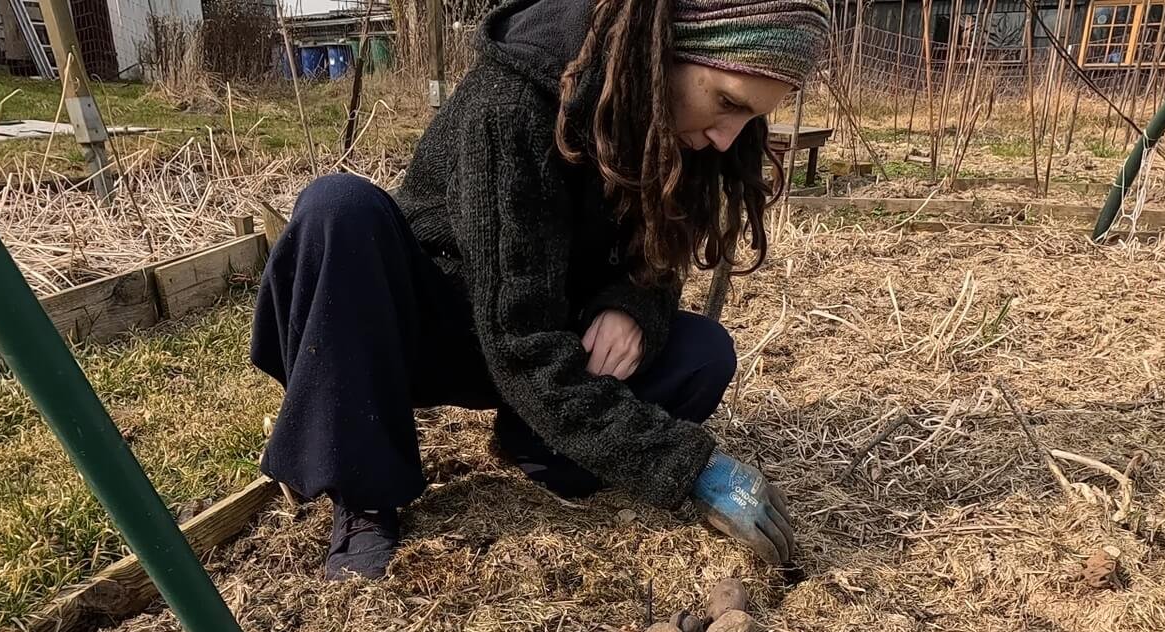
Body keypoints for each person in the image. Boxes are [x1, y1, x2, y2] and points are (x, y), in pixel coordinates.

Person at [251, 0, 827, 580]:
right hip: (431, 330)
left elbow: (657, 256)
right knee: (338, 208)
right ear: (666, 49)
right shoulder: (511, 104)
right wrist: (690, 467)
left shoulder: (669, 117)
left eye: (751, 118)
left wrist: (632, 305)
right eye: (727, 102)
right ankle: (364, 494)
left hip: (549, 331)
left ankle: (537, 443)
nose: (729, 138)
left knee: (703, 354)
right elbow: (517, 339)